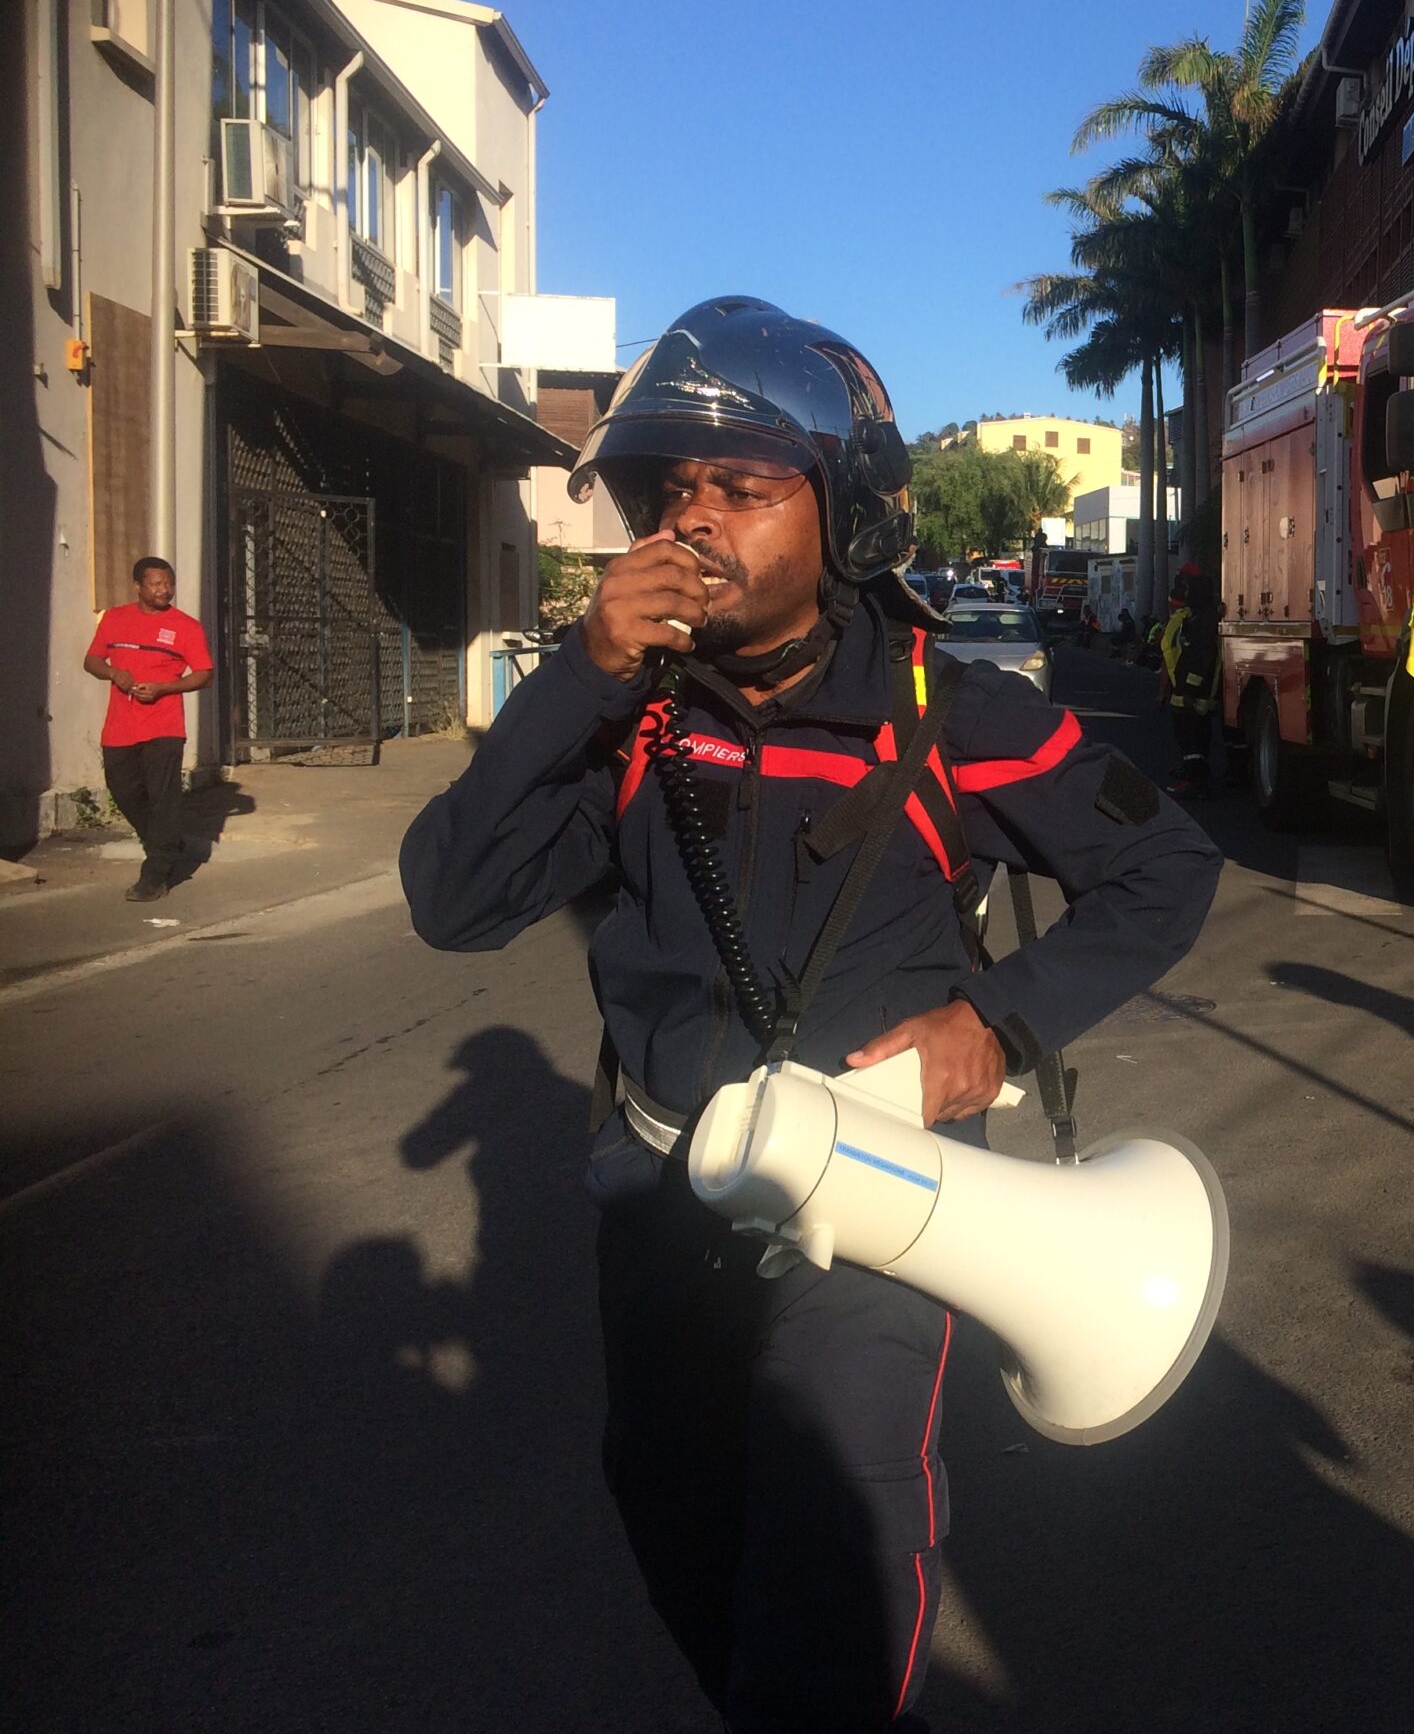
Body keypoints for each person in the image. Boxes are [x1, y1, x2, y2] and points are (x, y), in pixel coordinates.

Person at [399, 299, 1220, 1733]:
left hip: (881, 1208)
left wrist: (1000, 1024)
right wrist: (575, 680)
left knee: (829, 1559)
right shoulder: (624, 715)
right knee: (676, 1522)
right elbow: (452, 897)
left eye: (741, 486)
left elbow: (1164, 868)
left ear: (842, 515)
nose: (691, 523)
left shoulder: (945, 707)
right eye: (669, 492)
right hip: (662, 1202)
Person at [83, 556, 213, 903]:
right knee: (123, 790)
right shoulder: (115, 619)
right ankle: (163, 842)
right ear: (138, 585)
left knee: (163, 798)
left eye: (169, 583)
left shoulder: (186, 626)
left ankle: (156, 875)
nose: (164, 590)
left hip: (164, 725)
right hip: (120, 726)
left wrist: (163, 688)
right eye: (156, 584)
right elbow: (92, 660)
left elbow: (203, 673)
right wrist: (114, 673)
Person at [1158, 564, 1219, 796]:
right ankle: (1195, 773)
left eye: (1184, 585)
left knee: (1191, 733)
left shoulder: (1200, 620)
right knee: (1191, 732)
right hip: (1186, 687)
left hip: (1192, 690)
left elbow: (1200, 656)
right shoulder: (1195, 617)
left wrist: (1189, 688)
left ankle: (1195, 779)